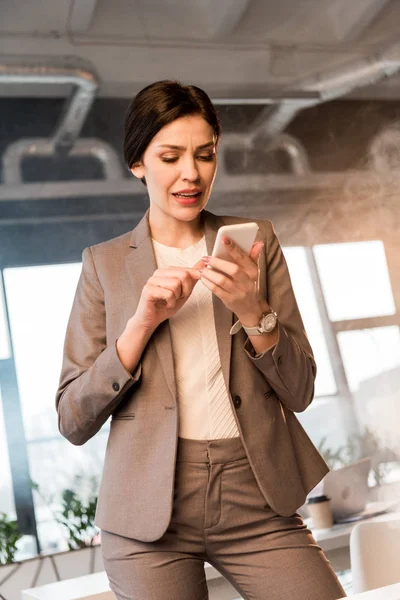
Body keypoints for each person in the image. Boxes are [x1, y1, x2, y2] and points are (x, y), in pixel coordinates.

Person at [56, 80, 346, 600]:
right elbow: (72, 418)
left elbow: (300, 391)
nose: (191, 173)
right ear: (138, 163)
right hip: (147, 513)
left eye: (205, 155)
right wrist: (141, 324)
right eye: (170, 156)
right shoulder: (103, 265)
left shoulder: (255, 243)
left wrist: (253, 310)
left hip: (255, 493)